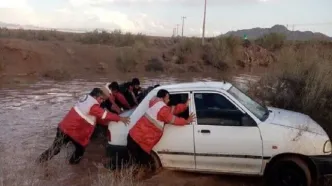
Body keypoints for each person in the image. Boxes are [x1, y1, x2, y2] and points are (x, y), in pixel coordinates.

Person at [37, 88, 130, 165]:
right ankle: (72, 167)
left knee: (56, 149)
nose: (102, 101)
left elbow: (94, 116)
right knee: (79, 150)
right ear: (95, 96)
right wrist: (120, 119)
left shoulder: (86, 99)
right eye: (101, 99)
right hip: (72, 131)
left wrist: (108, 122)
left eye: (103, 100)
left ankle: (40, 162)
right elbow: (104, 114)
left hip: (64, 128)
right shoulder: (93, 105)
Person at [127, 89, 195, 169]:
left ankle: (130, 176)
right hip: (139, 141)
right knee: (141, 166)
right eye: (167, 98)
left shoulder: (155, 103)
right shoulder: (162, 109)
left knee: (136, 164)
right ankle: (132, 178)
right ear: (163, 98)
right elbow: (174, 120)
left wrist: (185, 106)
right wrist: (187, 121)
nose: (169, 100)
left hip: (135, 137)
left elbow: (171, 110)